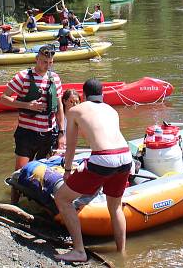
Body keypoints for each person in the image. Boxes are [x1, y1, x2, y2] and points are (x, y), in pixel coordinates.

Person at [55, 79, 132, 262]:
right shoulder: (111, 110)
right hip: (126, 157)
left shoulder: (75, 110)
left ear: (83, 95)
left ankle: (79, 251)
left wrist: (67, 169)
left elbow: (71, 145)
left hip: (104, 159)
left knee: (62, 198)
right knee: (115, 207)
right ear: (102, 94)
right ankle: (122, 253)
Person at [0, 44, 66, 204]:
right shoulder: (22, 77)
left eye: (50, 63)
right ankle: (13, 203)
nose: (47, 66)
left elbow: (60, 107)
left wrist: (61, 133)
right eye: (43, 62)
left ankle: (36, 204)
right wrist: (28, 106)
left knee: (42, 173)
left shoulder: (55, 78)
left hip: (49, 134)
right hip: (27, 133)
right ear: (36, 59)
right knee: (20, 172)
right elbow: (3, 99)